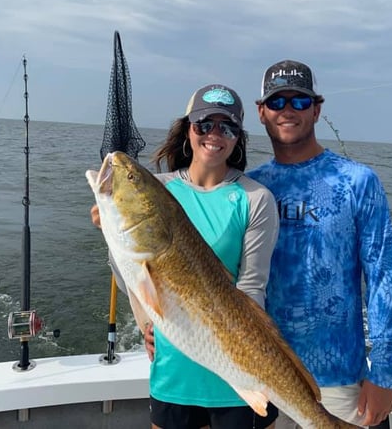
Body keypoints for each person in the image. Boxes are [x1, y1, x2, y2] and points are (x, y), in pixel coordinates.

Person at [92, 84, 280, 429]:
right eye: (204, 124)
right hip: (173, 372)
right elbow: (132, 276)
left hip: (239, 376)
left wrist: (262, 360)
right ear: (187, 129)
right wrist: (148, 324)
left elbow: (252, 289)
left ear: (238, 137)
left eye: (228, 127)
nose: (215, 134)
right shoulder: (158, 189)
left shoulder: (254, 198)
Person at [246, 60, 392, 429]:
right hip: (263, 372)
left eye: (299, 102)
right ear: (261, 113)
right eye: (277, 102)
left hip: (342, 378)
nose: (288, 110)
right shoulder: (248, 188)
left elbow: (383, 278)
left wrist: (382, 374)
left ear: (317, 109)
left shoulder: (358, 181)